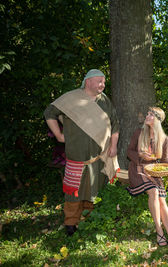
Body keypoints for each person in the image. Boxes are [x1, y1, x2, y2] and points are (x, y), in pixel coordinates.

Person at [44, 69, 120, 236]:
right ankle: (71, 222)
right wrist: (58, 135)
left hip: (99, 156)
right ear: (88, 82)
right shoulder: (71, 98)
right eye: (99, 81)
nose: (103, 84)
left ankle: (90, 218)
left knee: (95, 187)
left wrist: (113, 145)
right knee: (73, 190)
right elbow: (49, 113)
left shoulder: (105, 100)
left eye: (104, 81)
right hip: (76, 157)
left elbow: (115, 123)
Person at [126, 107, 168, 250]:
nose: (147, 116)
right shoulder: (139, 133)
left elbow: (165, 159)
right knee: (154, 192)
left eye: (151, 114)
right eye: (147, 113)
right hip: (137, 169)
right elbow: (129, 151)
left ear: (158, 120)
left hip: (153, 171)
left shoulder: (164, 139)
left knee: (162, 200)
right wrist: (141, 157)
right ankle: (159, 231)